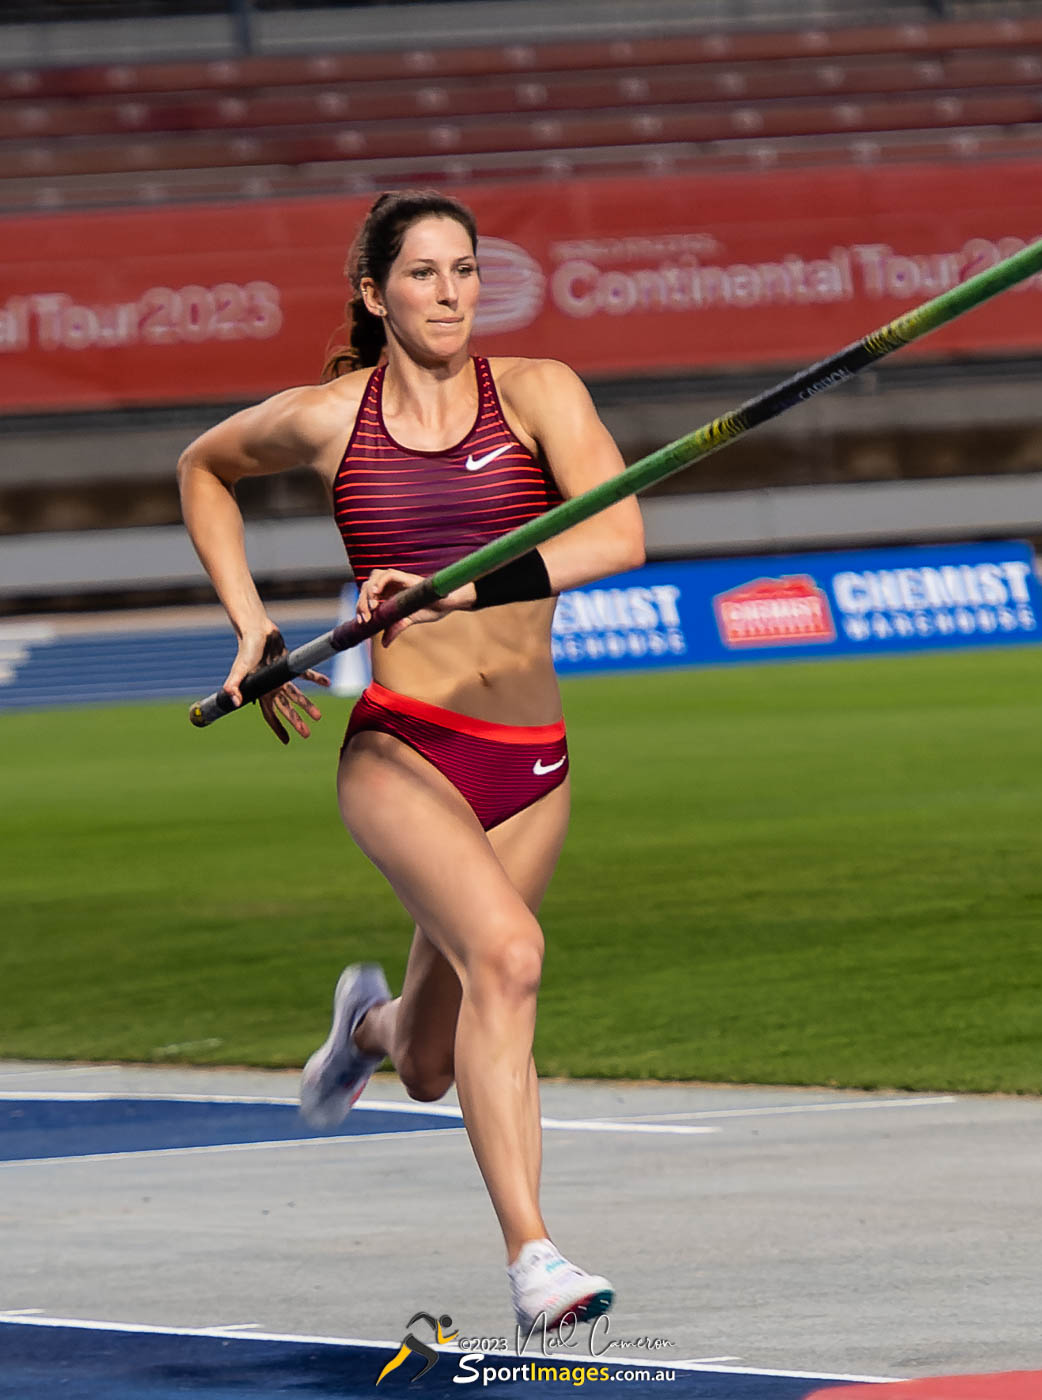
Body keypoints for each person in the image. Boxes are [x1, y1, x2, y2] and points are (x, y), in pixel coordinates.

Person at [177, 189, 645, 1335]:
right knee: (514, 954)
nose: (451, 293)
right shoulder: (332, 418)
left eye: (468, 271)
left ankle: (368, 1028)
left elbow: (620, 533)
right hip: (405, 747)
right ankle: (536, 1257)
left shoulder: (539, 391)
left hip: (532, 760)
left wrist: (465, 582)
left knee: (434, 1061)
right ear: (374, 292)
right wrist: (251, 625)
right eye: (426, 273)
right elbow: (201, 466)